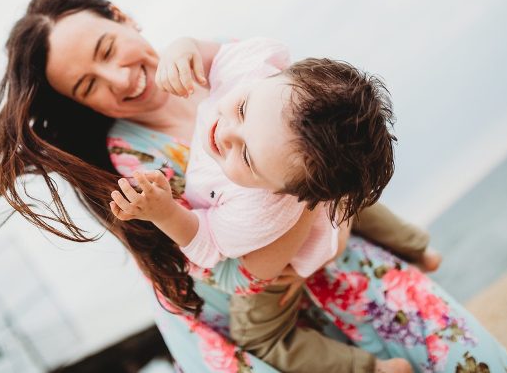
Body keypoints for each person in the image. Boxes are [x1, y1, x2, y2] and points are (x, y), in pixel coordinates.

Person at [0, 0, 507, 372]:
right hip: (281, 298)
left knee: (469, 354)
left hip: (353, 261)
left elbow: (300, 107)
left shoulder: (210, 67)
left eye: (112, 45)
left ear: (123, 15)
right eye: (89, 84)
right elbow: (217, 264)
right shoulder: (128, 158)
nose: (120, 76)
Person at [108, 36, 432, 373]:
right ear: (273, 76)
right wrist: (184, 48)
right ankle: (419, 247)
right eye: (243, 109)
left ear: (277, 191)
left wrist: (166, 213)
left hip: (298, 247)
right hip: (329, 200)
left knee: (259, 336)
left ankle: (374, 369)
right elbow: (218, 56)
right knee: (355, 191)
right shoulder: (254, 72)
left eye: (245, 155)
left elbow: (207, 244)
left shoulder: (256, 209)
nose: (226, 133)